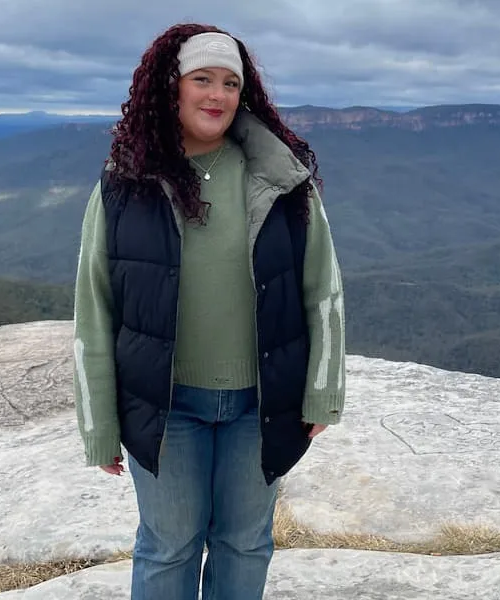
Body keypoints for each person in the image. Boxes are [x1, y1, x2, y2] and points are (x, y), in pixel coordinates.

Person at [72, 22, 346, 600]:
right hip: (166, 406)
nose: (217, 95)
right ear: (171, 87)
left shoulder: (282, 181)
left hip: (260, 401)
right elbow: (94, 306)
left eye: (230, 83)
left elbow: (323, 288)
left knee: (245, 542)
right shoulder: (126, 186)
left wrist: (323, 392)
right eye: (202, 79)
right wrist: (99, 425)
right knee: (168, 545)